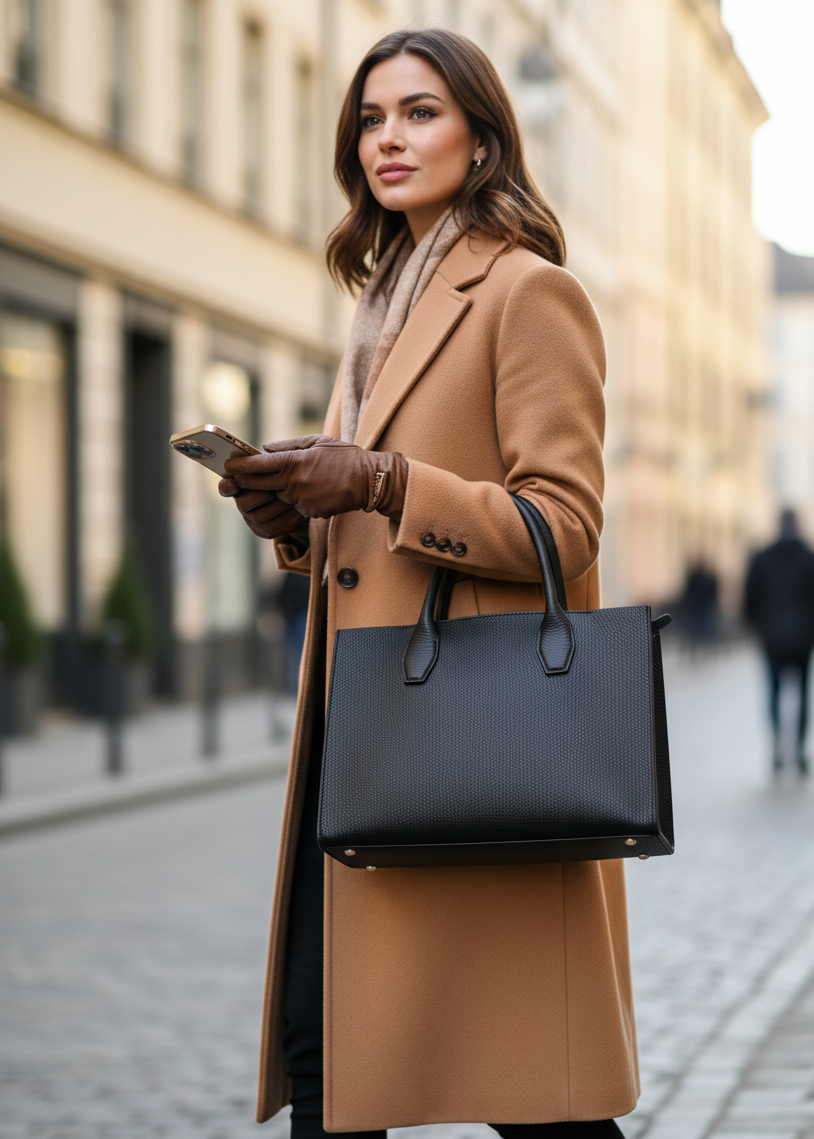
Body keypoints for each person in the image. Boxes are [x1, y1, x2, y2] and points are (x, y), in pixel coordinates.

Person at [220, 29, 636, 1137]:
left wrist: (387, 477)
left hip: (466, 736)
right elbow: (371, 537)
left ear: (483, 136)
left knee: (535, 1097)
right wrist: (297, 522)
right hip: (362, 728)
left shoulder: (526, 293)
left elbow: (565, 523)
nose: (386, 140)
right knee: (330, 1060)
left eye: (418, 112)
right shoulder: (381, 303)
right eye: (368, 118)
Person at [745, 508, 814, 775]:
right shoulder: (808, 558)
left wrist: (758, 626)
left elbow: (750, 598)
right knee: (802, 695)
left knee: (773, 693)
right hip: (803, 638)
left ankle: (775, 744)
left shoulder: (762, 559)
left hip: (772, 637)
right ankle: (797, 750)